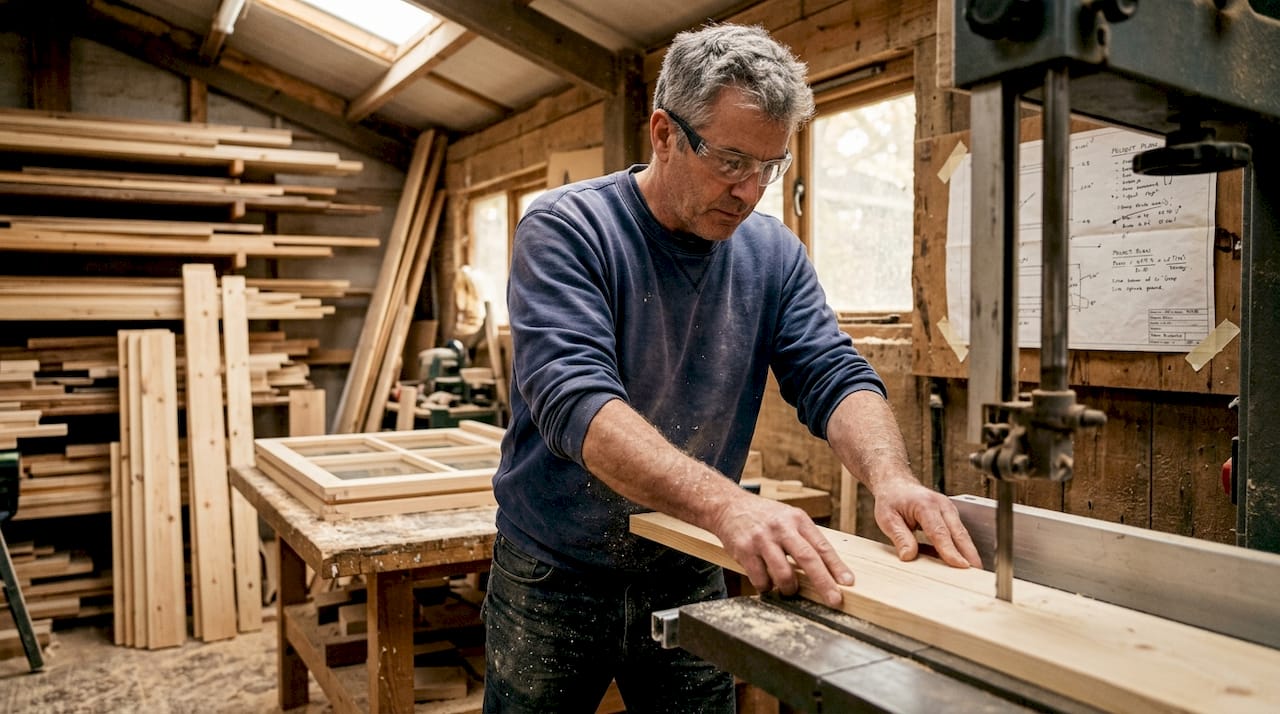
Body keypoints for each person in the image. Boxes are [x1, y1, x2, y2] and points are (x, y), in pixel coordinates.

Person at [481, 22, 982, 714]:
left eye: (769, 168)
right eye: (730, 161)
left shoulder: (771, 254)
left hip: (688, 558)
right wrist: (729, 503)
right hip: (554, 570)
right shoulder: (568, 230)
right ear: (664, 133)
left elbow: (832, 371)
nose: (749, 191)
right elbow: (579, 405)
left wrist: (888, 478)